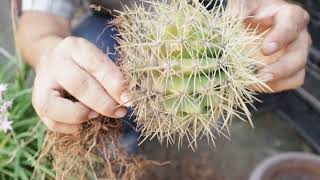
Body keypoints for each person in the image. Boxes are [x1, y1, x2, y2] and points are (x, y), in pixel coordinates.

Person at [16, 0, 311, 134]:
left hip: (217, 30)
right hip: (121, 30)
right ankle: (117, 140)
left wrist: (274, 27)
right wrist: (48, 52)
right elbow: (39, 19)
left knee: (212, 104)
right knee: (94, 53)